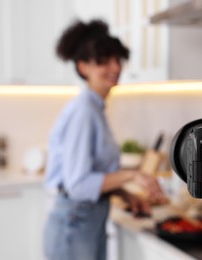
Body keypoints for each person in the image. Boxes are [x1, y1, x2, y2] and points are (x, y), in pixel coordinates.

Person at [43, 19, 165, 260]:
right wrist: (132, 175)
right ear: (83, 67)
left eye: (117, 59)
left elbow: (92, 175)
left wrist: (124, 193)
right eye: (103, 61)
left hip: (86, 219)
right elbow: (78, 185)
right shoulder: (84, 111)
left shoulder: (95, 108)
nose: (115, 67)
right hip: (75, 222)